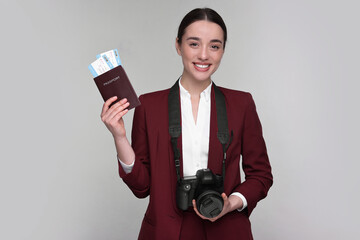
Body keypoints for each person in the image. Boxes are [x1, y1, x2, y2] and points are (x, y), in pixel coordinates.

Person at [100, 8, 273, 240]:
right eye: (194, 44)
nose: (204, 55)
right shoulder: (148, 105)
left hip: (226, 229)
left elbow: (261, 175)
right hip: (166, 231)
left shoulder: (241, 103)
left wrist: (231, 203)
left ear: (222, 51)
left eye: (214, 46)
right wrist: (119, 137)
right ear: (178, 45)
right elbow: (141, 187)